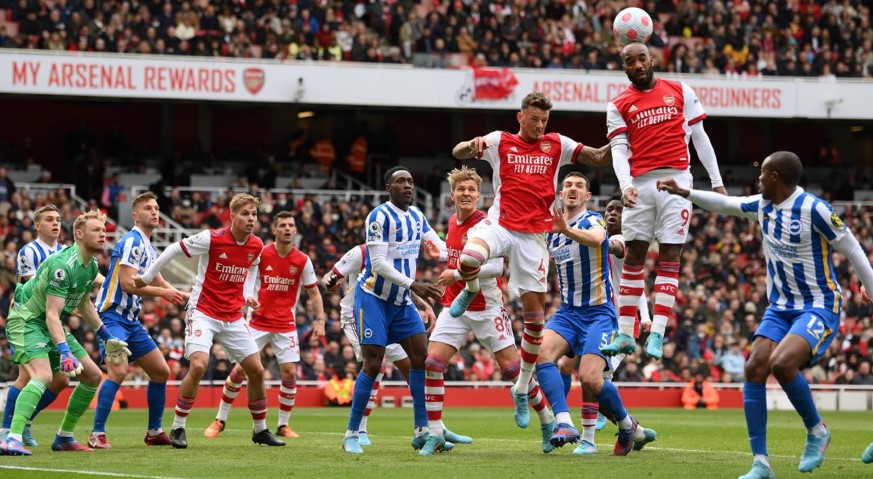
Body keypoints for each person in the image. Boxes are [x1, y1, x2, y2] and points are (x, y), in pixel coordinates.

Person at [657, 151, 873, 478]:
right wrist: (685, 192)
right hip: (780, 307)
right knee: (755, 367)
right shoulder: (763, 206)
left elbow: (853, 249)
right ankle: (761, 463)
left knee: (782, 363)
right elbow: (726, 205)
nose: (758, 179)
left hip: (818, 304)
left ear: (775, 177)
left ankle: (817, 431)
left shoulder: (816, 210)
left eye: (763, 174)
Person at [450, 91, 611, 409]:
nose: (539, 125)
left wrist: (623, 140)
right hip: (501, 224)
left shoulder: (557, 144)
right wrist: (473, 144)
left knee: (535, 321)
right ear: (520, 117)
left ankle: (522, 385)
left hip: (533, 237)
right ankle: (469, 288)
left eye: (544, 120)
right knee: (469, 258)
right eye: (534, 119)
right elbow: (458, 152)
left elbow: (597, 156)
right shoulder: (499, 141)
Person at [601, 42, 727, 360]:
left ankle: (656, 333)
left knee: (670, 254)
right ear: (624, 67)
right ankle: (626, 334)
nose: (638, 65)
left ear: (652, 59)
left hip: (677, 180)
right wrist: (626, 185)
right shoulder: (618, 105)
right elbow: (618, 150)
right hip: (640, 184)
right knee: (633, 257)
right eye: (630, 61)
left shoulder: (680, 90)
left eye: (642, 58)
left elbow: (700, 137)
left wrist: (717, 182)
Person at [134, 193, 285, 449]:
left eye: (254, 214)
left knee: (257, 370)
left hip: (232, 315)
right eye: (246, 214)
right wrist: (147, 277)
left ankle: (260, 430)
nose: (251, 219)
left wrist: (248, 295)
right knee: (199, 366)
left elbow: (252, 268)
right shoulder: (211, 238)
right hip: (203, 310)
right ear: (233, 215)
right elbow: (173, 248)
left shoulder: (256, 244)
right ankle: (178, 427)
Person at [424, 165, 556, 455]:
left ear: (480, 195)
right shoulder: (452, 222)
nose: (466, 193)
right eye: (461, 189)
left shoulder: (485, 225)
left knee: (512, 369)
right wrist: (443, 255)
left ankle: (547, 421)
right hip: (454, 306)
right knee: (432, 363)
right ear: (453, 194)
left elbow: (497, 266)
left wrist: (456, 275)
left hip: (486, 306)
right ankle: (435, 434)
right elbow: (458, 256)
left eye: (472, 189)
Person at [0, 210, 131, 455]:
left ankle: (64, 437)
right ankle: (12, 437)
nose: (103, 234)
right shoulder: (63, 266)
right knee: (42, 376)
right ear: (79, 234)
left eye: (104, 230)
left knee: (92, 376)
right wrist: (64, 352)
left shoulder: (90, 264)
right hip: (27, 321)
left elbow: (84, 304)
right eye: (96, 230)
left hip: (50, 323)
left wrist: (106, 336)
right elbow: (51, 314)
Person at [340, 166, 444, 455]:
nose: (407, 186)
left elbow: (439, 247)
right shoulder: (379, 216)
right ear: (388, 187)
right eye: (400, 182)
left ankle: (422, 429)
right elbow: (379, 264)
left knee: (421, 357)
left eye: (410, 181)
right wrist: (416, 285)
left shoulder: (418, 217)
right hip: (373, 297)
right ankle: (351, 433)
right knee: (373, 364)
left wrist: (474, 253)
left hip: (401, 302)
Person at [535, 172, 640, 456]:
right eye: (567, 185)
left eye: (579, 186)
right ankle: (564, 422)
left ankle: (626, 423)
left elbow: (596, 239)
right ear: (560, 193)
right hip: (568, 313)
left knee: (591, 379)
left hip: (598, 313)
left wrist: (565, 230)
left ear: (587, 196)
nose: (572, 189)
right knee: (540, 354)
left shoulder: (593, 220)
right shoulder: (551, 232)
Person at [324, 243, 468, 448]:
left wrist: (424, 305)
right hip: (358, 315)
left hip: (392, 313)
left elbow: (401, 283)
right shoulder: (361, 252)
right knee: (375, 365)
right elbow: (330, 276)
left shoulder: (403, 251)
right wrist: (330, 282)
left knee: (412, 366)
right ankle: (358, 430)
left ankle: (433, 428)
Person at [203, 211, 326, 440]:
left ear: (296, 230)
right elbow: (244, 276)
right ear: (274, 230)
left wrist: (320, 321)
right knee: (241, 369)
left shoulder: (302, 260)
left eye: (291, 225)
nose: (287, 229)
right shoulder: (261, 253)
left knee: (289, 372)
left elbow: (314, 293)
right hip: (257, 321)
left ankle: (283, 425)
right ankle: (220, 419)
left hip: (286, 323)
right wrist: (243, 301)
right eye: (283, 225)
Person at [88, 192, 188, 449]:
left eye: (156, 208)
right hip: (111, 317)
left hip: (130, 320)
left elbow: (158, 280)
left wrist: (185, 295)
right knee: (118, 371)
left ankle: (154, 431)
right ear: (135, 215)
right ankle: (96, 434)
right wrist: (165, 293)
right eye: (148, 208)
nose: (154, 212)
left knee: (161, 371)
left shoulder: (148, 246)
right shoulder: (132, 241)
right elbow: (127, 284)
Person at [560, 198, 657, 454]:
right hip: (589, 317)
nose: (613, 213)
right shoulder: (591, 242)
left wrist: (645, 317)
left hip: (616, 324)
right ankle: (630, 429)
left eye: (619, 210)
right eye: (610, 210)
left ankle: (594, 437)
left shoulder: (622, 241)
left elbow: (614, 250)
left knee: (593, 379)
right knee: (567, 366)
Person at [1, 205, 65, 446]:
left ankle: (25, 421)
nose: (55, 223)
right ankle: (7, 430)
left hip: (50, 319)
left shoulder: (64, 251)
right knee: (27, 376)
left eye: (58, 219)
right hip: (26, 319)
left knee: (60, 380)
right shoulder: (29, 251)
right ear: (37, 225)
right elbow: (38, 287)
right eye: (49, 219)